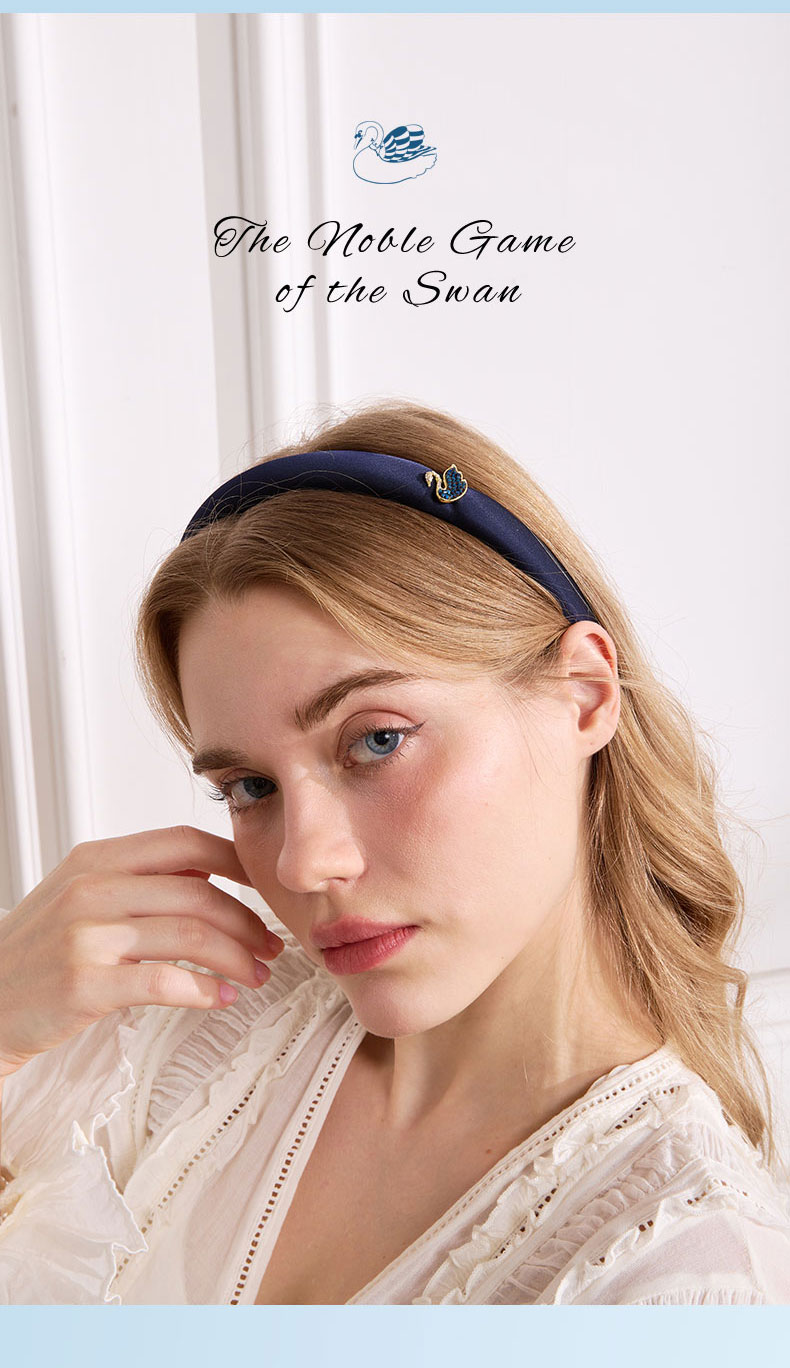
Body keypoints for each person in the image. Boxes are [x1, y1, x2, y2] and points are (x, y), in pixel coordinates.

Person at [0, 400, 788, 1305]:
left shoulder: (685, 1275)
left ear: (583, 694)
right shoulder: (174, 1030)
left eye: (377, 741)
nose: (303, 865)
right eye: (249, 786)